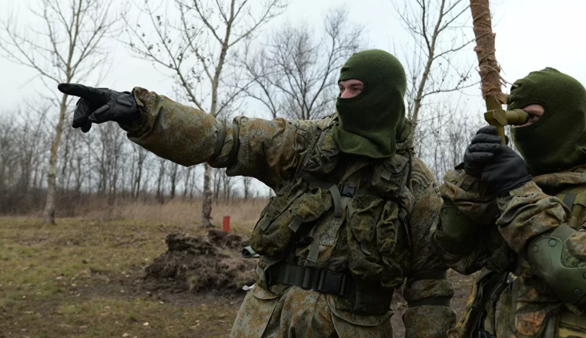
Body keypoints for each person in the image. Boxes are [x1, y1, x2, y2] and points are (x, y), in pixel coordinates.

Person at [59, 49, 456, 338]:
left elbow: (429, 290)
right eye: (341, 88)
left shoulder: (415, 184)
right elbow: (224, 138)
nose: (344, 99)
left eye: (356, 89)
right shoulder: (305, 144)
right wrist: (142, 112)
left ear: (386, 97)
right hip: (267, 321)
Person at [435, 67, 586, 338]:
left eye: (531, 117)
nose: (523, 131)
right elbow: (456, 252)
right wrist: (471, 180)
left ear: (566, 118)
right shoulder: (520, 187)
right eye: (515, 121)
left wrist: (519, 191)